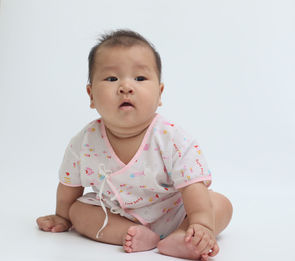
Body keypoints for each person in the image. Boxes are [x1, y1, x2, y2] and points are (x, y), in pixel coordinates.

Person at [36, 29, 233, 260]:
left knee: (219, 204)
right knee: (78, 211)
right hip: (118, 214)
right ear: (91, 95)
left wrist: (201, 223)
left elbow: (193, 188)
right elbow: (69, 186)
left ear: (159, 93)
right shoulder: (84, 141)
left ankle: (184, 236)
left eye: (139, 78)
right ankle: (132, 235)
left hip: (177, 212)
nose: (126, 87)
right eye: (111, 79)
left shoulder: (172, 138)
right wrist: (62, 216)